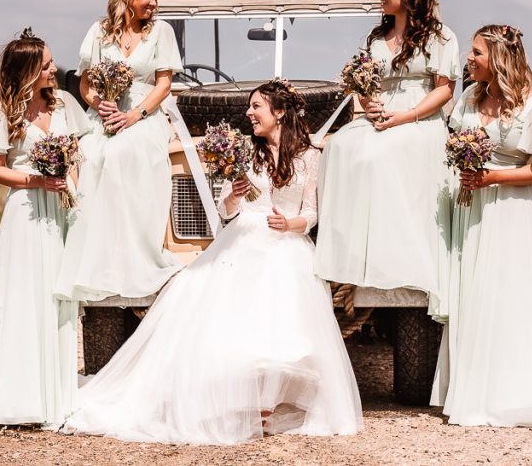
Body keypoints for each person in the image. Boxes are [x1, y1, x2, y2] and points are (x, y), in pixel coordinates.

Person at [59, 80, 363, 445]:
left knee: (282, 292)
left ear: (279, 112)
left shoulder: (311, 156)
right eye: (250, 107)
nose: (248, 113)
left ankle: (269, 398)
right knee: (199, 294)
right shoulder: (248, 152)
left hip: (287, 240)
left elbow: (311, 213)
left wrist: (290, 224)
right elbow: (225, 209)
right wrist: (234, 196)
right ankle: (231, 396)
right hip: (244, 236)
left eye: (256, 107)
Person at [432, 24, 532, 427]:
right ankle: (468, 389)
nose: (469, 59)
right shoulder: (467, 97)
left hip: (511, 211)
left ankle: (509, 392)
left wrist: (492, 178)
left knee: (506, 294)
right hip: (470, 207)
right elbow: (450, 141)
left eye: (476, 53)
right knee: (472, 293)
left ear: (497, 58)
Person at [315, 0, 460, 319]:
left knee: (381, 155)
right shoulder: (377, 39)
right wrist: (370, 103)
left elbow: (444, 90)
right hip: (382, 116)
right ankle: (350, 254)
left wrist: (406, 116)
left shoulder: (440, 37)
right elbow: (366, 86)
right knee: (341, 148)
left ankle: (395, 256)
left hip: (419, 118)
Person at [0, 29, 90, 428]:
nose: (56, 70)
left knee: (57, 296)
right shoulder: (3, 112)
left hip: (61, 209)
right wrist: (38, 180)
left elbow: (80, 156)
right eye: (48, 65)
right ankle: (17, 395)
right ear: (29, 71)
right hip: (25, 211)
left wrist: (73, 188)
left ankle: (56, 395)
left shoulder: (67, 104)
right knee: (23, 296)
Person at [55, 0, 184, 302]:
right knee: (89, 156)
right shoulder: (99, 32)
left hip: (145, 113)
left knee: (120, 154)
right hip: (106, 112)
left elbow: (164, 83)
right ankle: (91, 262)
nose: (154, 3)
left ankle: (131, 260)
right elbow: (85, 82)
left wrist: (134, 115)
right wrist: (99, 104)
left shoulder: (161, 32)